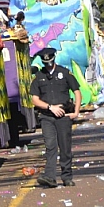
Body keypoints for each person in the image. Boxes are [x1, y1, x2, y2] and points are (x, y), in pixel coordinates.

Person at [30, 47, 81, 188]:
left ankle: (67, 177)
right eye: (45, 63)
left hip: (63, 116)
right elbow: (34, 99)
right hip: (47, 117)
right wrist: (50, 107)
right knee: (50, 146)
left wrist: (76, 112)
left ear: (53, 59)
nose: (48, 65)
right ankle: (50, 177)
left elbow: (77, 91)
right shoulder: (39, 77)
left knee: (65, 147)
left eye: (50, 62)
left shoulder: (64, 73)